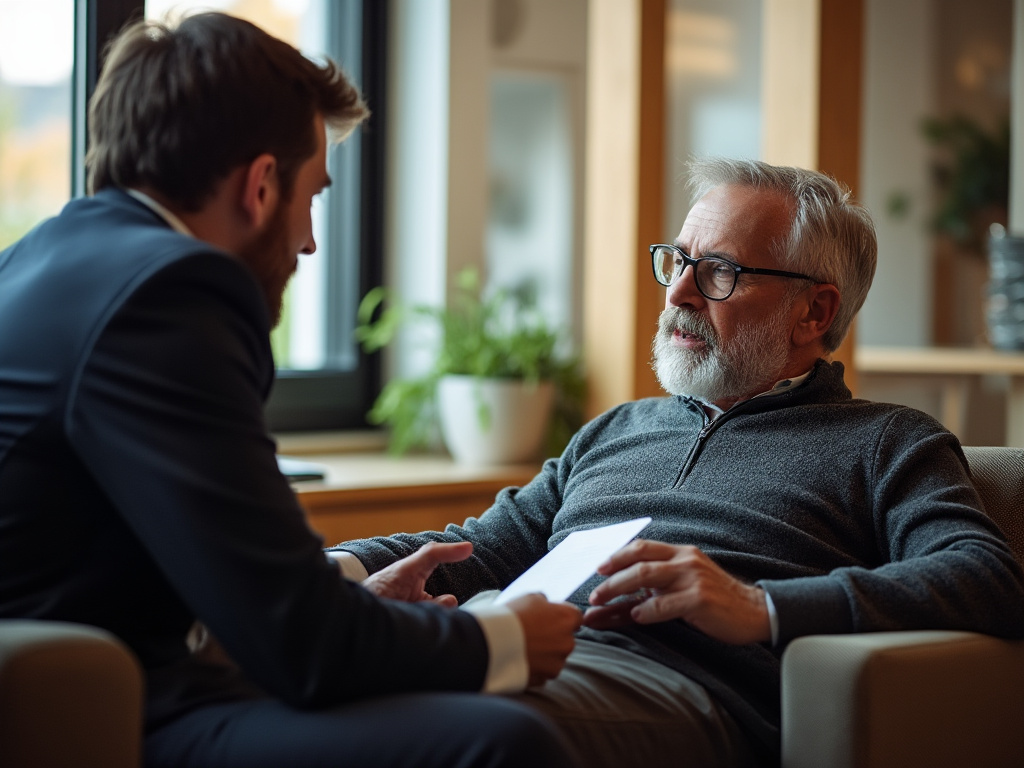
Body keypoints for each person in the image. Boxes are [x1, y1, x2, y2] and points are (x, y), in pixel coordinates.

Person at [0, 12, 584, 768]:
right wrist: (503, 638)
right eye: (313, 196)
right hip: (121, 702)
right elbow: (301, 647)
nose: (310, 240)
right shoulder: (169, 295)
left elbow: (190, 557)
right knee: (506, 743)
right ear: (261, 185)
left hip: (94, 667)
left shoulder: (41, 258)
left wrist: (350, 578)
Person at [328, 158, 1024, 768]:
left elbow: (987, 577)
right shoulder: (617, 429)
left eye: (719, 272)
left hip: (673, 690)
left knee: (453, 730)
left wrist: (758, 607)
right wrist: (317, 575)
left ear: (813, 313)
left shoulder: (886, 441)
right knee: (281, 680)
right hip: (498, 647)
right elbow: (479, 545)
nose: (677, 294)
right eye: (678, 260)